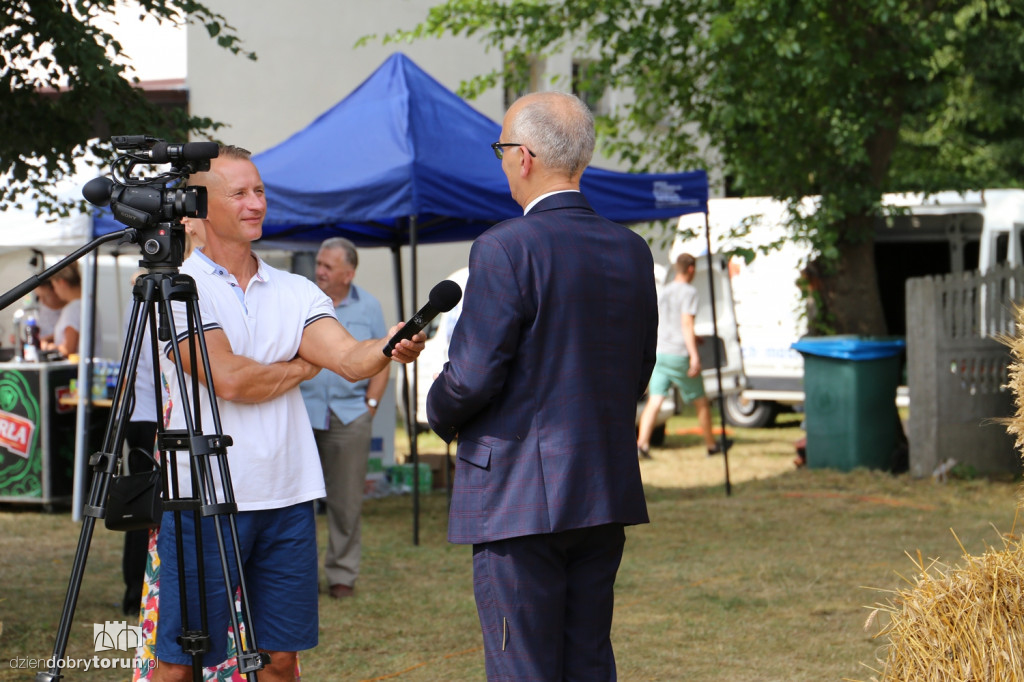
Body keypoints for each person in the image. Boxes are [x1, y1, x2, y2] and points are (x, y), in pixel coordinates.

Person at [150, 144, 424, 682]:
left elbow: (348, 358)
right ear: (200, 206)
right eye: (240, 193)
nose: (256, 203)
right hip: (203, 499)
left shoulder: (296, 290)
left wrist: (386, 345)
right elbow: (230, 378)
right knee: (183, 663)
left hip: (287, 495)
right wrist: (302, 367)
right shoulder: (175, 289)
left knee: (281, 660)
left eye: (259, 191)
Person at [426, 92, 657, 681]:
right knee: (587, 660)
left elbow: (473, 375)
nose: (502, 162)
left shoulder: (505, 247)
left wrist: (439, 407)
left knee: (522, 664)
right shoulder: (632, 251)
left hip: (517, 495)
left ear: (523, 156)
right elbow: (638, 371)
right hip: (602, 485)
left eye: (502, 149)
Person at [299, 237, 389, 600]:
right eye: (319, 263)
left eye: (328, 267)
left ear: (348, 274)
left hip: (350, 417)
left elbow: (383, 358)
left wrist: (369, 407)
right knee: (295, 502)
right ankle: (297, 577)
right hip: (301, 415)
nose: (319, 271)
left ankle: (341, 575)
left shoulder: (369, 307)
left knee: (346, 503)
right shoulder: (302, 298)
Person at [637, 253, 730, 459]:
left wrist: (694, 337)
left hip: (661, 352)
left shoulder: (665, 291)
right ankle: (711, 446)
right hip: (679, 354)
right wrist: (694, 355)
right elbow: (686, 323)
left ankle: (642, 445)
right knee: (701, 401)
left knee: (655, 400)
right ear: (691, 269)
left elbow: (669, 322)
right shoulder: (689, 292)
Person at [120, 268, 162, 617]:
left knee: (139, 507)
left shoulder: (137, 300)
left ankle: (135, 590)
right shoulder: (161, 300)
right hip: (156, 414)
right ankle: (139, 590)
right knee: (147, 509)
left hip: (141, 413)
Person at [44, 262, 101, 358]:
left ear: (62, 283)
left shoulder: (72, 309)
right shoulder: (88, 303)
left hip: (76, 370)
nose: (55, 291)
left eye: (54, 286)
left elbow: (68, 349)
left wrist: (48, 347)